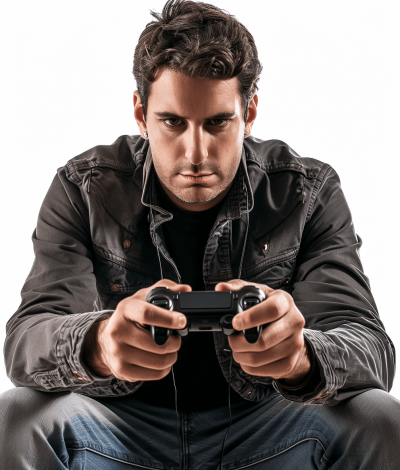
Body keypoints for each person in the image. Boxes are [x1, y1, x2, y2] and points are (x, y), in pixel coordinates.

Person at [1, 0, 399, 468]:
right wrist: (101, 344)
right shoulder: (84, 188)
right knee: (16, 417)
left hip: (269, 427)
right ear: (140, 112)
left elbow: (371, 348)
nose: (195, 153)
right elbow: (26, 340)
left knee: (380, 420)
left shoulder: (306, 191)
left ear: (249, 114)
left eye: (217, 122)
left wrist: (302, 358)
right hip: (117, 428)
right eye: (172, 122)